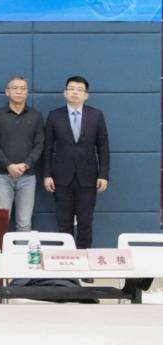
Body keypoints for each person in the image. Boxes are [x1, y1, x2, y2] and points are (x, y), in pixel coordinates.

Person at [43, 75, 110, 249]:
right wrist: (47, 175)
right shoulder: (54, 116)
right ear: (64, 93)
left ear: (86, 95)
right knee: (63, 222)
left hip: (88, 177)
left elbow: (103, 147)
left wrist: (103, 175)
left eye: (79, 90)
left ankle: (84, 259)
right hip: (61, 177)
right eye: (71, 88)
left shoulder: (96, 115)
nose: (75, 92)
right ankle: (67, 260)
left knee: (85, 222)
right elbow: (47, 148)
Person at [0, 76, 44, 232]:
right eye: (15, 88)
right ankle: (0, 249)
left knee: (24, 224)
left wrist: (26, 165)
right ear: (7, 92)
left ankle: (22, 250)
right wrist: (9, 165)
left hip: (28, 176)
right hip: (2, 176)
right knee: (0, 222)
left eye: (23, 88)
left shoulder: (36, 116)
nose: (19, 91)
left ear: (27, 92)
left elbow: (40, 144)